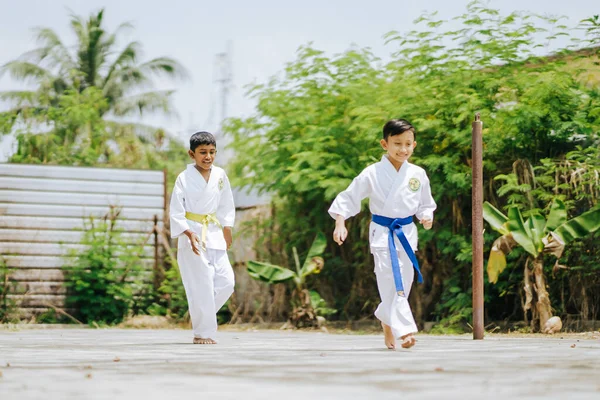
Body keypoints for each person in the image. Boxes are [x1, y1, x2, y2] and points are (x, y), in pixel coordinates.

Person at [329, 119, 436, 349]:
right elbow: (349, 197)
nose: (403, 149)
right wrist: (340, 222)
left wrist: (426, 216)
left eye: (408, 144)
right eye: (397, 143)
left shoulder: (418, 173)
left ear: (414, 145)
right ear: (384, 144)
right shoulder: (372, 173)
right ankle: (405, 331)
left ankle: (385, 318)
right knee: (390, 281)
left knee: (404, 284)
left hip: (406, 233)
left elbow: (425, 204)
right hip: (382, 233)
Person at [170, 131, 235, 344]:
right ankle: (202, 333)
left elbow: (226, 203)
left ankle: (201, 315)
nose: (208, 157)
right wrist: (188, 233)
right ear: (192, 154)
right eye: (203, 152)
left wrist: (227, 228)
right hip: (192, 233)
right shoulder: (183, 178)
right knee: (203, 283)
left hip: (214, 232)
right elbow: (176, 210)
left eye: (212, 152)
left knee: (227, 282)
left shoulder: (220, 175)